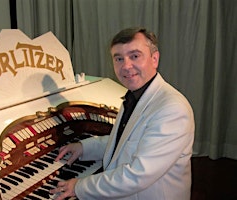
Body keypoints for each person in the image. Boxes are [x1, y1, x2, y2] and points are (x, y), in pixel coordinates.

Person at [50, 27, 195, 200]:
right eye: (119, 58)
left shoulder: (172, 109)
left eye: (135, 56)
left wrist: (80, 186)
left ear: (154, 59)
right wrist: (84, 147)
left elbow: (137, 175)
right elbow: (124, 143)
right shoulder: (135, 96)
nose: (126, 66)